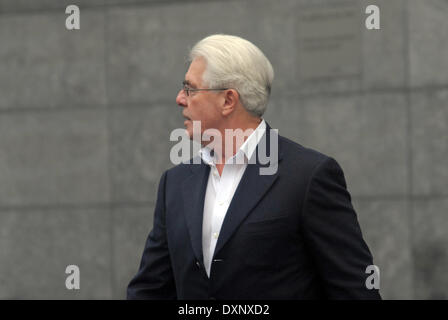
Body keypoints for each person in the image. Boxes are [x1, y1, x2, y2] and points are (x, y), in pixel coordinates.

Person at [127, 34, 381, 300]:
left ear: (228, 100)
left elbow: (355, 291)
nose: (180, 98)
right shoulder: (175, 183)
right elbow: (149, 290)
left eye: (190, 88)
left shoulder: (308, 177)